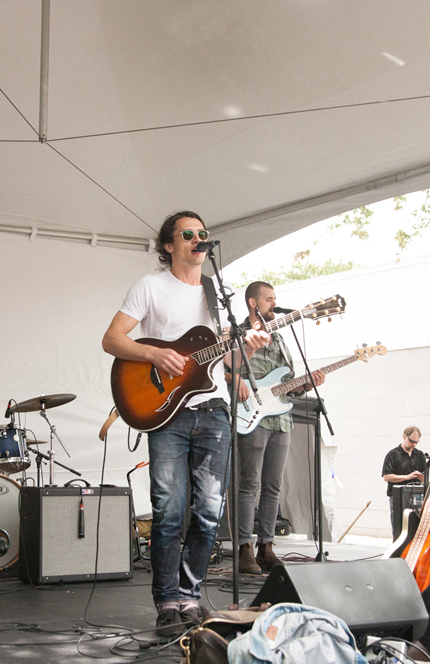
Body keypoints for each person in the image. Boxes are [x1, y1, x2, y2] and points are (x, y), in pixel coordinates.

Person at [102, 210, 268, 640]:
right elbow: (112, 339)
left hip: (212, 409)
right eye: (188, 234)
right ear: (169, 245)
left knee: (209, 512)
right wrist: (154, 355)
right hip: (167, 412)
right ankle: (166, 601)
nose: (198, 239)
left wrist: (245, 346)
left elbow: (223, 361)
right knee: (169, 510)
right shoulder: (150, 286)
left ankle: (190, 595)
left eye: (202, 234)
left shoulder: (221, 294)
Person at [229, 281, 324, 575]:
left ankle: (266, 548)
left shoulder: (281, 339)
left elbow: (289, 383)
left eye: (275, 299)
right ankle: (244, 548)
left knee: (273, 487)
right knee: (250, 484)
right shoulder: (237, 336)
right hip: (252, 417)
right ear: (253, 303)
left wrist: (306, 384)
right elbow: (227, 372)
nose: (274, 303)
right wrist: (238, 383)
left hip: (281, 420)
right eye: (269, 299)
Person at [382, 426, 426, 537]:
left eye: (416, 442)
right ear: (404, 437)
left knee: (417, 526)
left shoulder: (420, 455)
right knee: (399, 526)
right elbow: (386, 476)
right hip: (398, 495)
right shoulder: (393, 454)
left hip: (417, 495)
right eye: (411, 441)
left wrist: (422, 478)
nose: (414, 445)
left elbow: (427, 476)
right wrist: (407, 477)